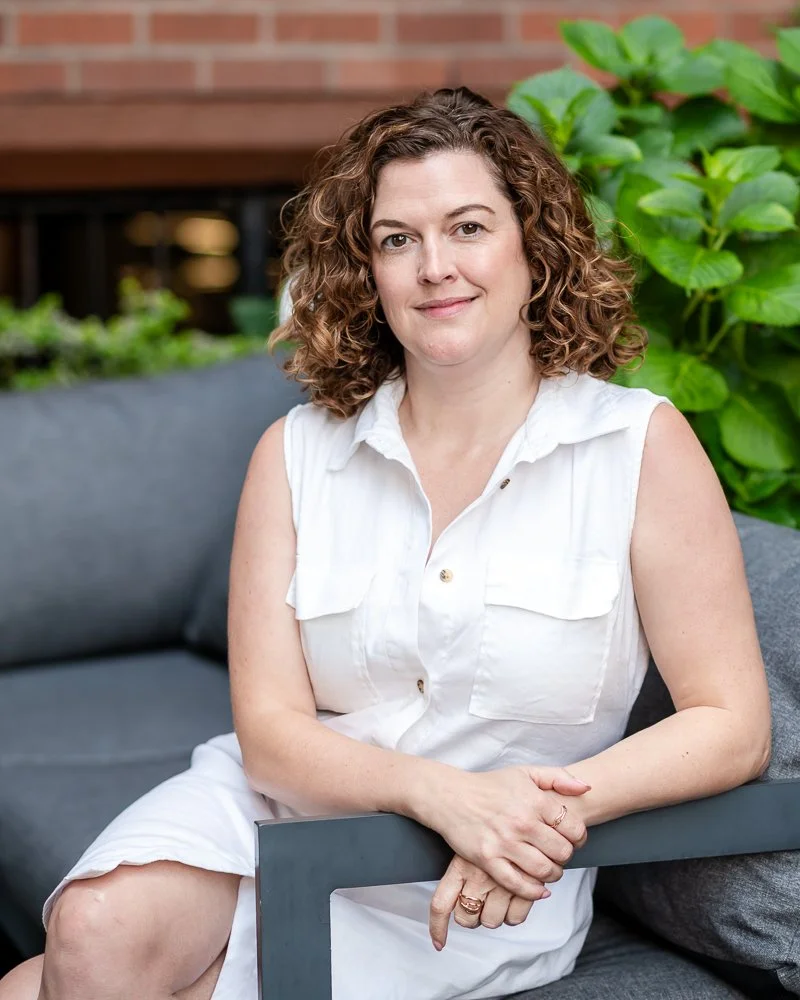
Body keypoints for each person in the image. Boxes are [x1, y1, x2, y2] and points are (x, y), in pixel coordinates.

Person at [0, 86, 771, 1000]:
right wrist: (437, 791)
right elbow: (274, 736)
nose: (434, 266)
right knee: (90, 930)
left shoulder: (636, 445)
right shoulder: (296, 454)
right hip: (286, 812)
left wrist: (528, 821)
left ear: (537, 245)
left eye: (469, 227)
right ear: (367, 271)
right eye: (397, 239)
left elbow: (730, 723)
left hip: (471, 888)